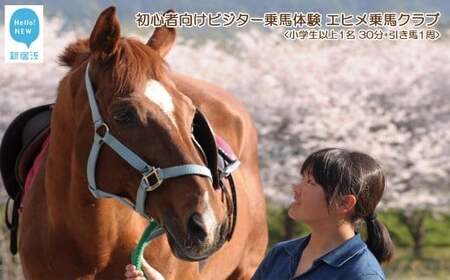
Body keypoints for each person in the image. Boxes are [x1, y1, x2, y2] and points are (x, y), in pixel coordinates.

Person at [125, 148, 394, 280]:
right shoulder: (283, 254)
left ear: (345, 203)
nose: (296, 189)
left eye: (310, 183)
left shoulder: (361, 274)